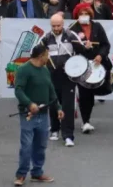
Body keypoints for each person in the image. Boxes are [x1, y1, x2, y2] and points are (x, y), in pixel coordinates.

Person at [13, 44, 60, 186]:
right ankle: (21, 174)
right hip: (28, 114)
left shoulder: (45, 70)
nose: (48, 57)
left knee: (41, 145)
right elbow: (18, 90)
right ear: (41, 56)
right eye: (47, 54)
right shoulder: (24, 70)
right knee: (26, 145)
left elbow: (51, 90)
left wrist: (58, 107)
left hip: (44, 114)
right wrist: (29, 104)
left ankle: (37, 172)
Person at [39, 13, 86, 147]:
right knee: (53, 102)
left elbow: (81, 51)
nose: (56, 28)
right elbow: (36, 52)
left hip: (68, 76)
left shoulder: (71, 36)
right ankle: (54, 129)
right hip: (51, 75)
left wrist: (85, 47)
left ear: (63, 24)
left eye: (58, 25)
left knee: (67, 105)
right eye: (53, 26)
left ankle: (68, 135)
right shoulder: (46, 37)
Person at [70, 3, 112, 132]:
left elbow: (106, 44)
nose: (84, 16)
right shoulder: (72, 28)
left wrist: (100, 55)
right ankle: (85, 121)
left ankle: (87, 117)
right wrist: (83, 47)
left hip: (96, 64)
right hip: (81, 66)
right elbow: (70, 46)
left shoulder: (97, 26)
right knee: (84, 94)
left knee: (91, 94)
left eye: (86, 14)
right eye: (81, 14)